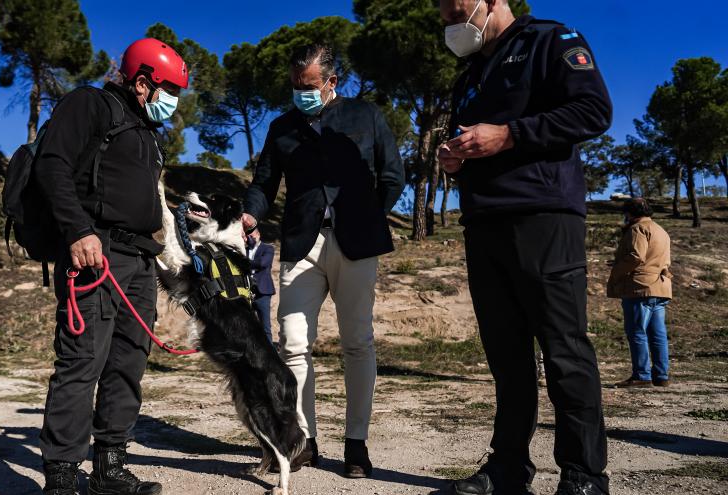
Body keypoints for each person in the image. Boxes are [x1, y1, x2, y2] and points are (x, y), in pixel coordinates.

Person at [437, 1, 613, 494]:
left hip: (543, 215)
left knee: (563, 349)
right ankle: (508, 467)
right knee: (506, 356)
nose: (451, 25)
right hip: (483, 221)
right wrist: (456, 158)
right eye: (444, 18)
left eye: (456, 12)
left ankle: (583, 476)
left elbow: (594, 110)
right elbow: (474, 139)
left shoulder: (551, 41)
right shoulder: (470, 73)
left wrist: (510, 135)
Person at [242, 44, 404, 478]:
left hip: (356, 243)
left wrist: (368, 215)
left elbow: (393, 174)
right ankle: (303, 441)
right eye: (296, 87)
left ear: (332, 82)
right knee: (293, 344)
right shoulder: (281, 127)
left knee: (358, 342)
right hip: (301, 246)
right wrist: (251, 212)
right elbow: (263, 183)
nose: (301, 93)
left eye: (309, 86)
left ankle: (357, 445)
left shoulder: (366, 116)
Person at [35, 38, 188, 495]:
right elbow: (52, 165)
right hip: (94, 254)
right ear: (143, 83)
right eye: (170, 92)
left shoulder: (146, 132)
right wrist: (78, 231)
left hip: (140, 261)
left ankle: (109, 468)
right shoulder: (90, 104)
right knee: (83, 360)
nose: (174, 104)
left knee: (127, 363)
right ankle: (62, 475)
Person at [607, 198, 672, 388]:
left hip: (639, 288)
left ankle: (642, 375)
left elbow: (636, 256)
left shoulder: (637, 229)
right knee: (658, 334)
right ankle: (661, 375)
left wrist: (617, 269)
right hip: (660, 286)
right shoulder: (661, 230)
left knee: (637, 332)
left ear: (629, 213)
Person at [246, 228, 276, 344]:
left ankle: (271, 354)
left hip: (263, 292)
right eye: (248, 236)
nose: (250, 239)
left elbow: (263, 263)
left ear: (258, 234)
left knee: (265, 327)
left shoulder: (268, 248)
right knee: (248, 326)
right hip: (247, 291)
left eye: (252, 236)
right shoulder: (243, 249)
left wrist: (244, 262)